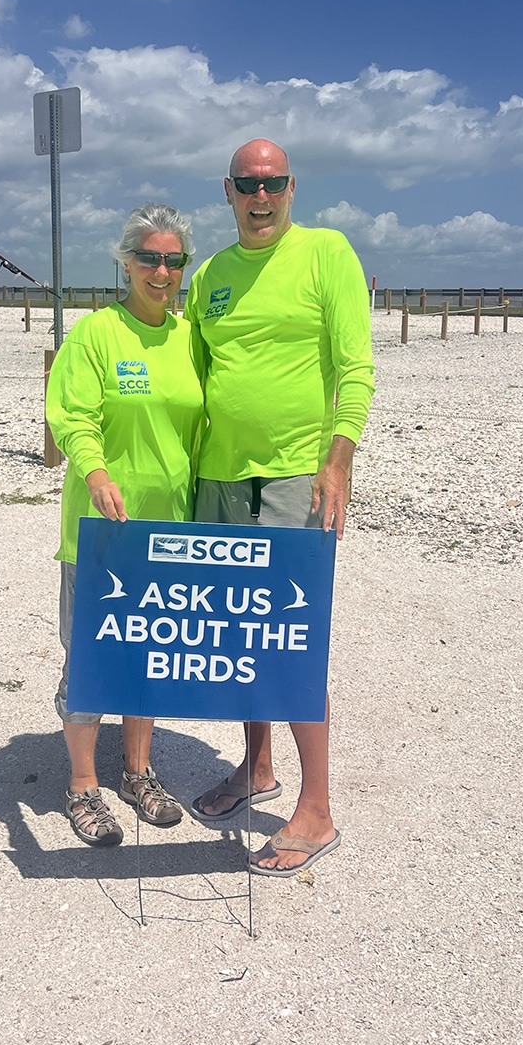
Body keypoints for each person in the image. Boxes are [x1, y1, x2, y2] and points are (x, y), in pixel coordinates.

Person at [184, 138, 374, 876]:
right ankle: (257, 769)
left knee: (291, 639)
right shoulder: (210, 277)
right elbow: (190, 371)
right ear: (227, 192)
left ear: (292, 187)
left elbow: (356, 366)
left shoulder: (326, 252)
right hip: (220, 478)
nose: (259, 197)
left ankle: (318, 808)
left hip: (296, 475)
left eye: (272, 183)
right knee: (238, 636)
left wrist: (339, 458)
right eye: (245, 184)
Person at [45, 203, 203, 846]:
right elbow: (72, 415)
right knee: (92, 657)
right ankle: (82, 786)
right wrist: (97, 472)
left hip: (171, 530)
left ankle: (138, 771)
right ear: (126, 262)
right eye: (149, 258)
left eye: (174, 260)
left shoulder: (192, 336)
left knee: (153, 655)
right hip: (103, 527)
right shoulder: (96, 335)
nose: (161, 271)